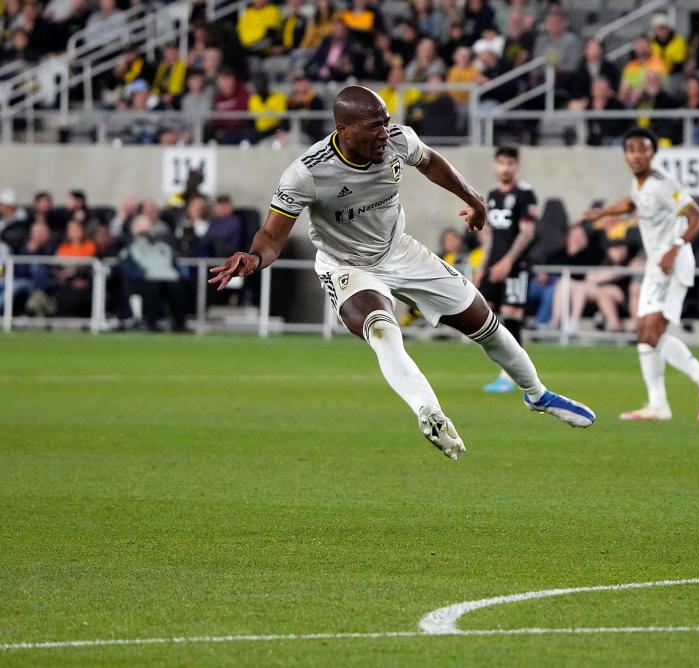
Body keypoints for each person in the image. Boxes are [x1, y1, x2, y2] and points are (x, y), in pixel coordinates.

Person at [208, 86, 595, 460]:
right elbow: (272, 237)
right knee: (382, 328)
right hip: (347, 265)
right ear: (343, 131)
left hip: (400, 250)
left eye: (386, 121)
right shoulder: (306, 173)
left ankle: (537, 394)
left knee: (485, 323)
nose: (384, 132)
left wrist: (474, 199)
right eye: (374, 125)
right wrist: (254, 258)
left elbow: (431, 163)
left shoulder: (397, 140)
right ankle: (430, 413)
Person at [581, 127, 699, 423]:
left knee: (653, 331)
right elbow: (630, 202)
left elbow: (697, 217)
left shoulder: (663, 183)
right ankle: (658, 404)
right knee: (643, 333)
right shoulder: (639, 184)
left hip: (671, 264)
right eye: (631, 149)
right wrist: (604, 213)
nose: (637, 155)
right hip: (655, 265)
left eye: (643, 149)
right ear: (625, 154)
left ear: (653, 153)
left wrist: (675, 248)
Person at [475, 145, 538, 393]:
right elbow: (488, 236)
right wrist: (482, 266)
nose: (505, 168)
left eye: (510, 163)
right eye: (501, 162)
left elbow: (527, 233)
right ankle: (506, 366)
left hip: (516, 266)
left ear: (517, 166)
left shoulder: (525, 194)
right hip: (493, 265)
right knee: (483, 315)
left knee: (512, 315)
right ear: (494, 165)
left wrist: (508, 261)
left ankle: (510, 375)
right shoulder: (491, 195)